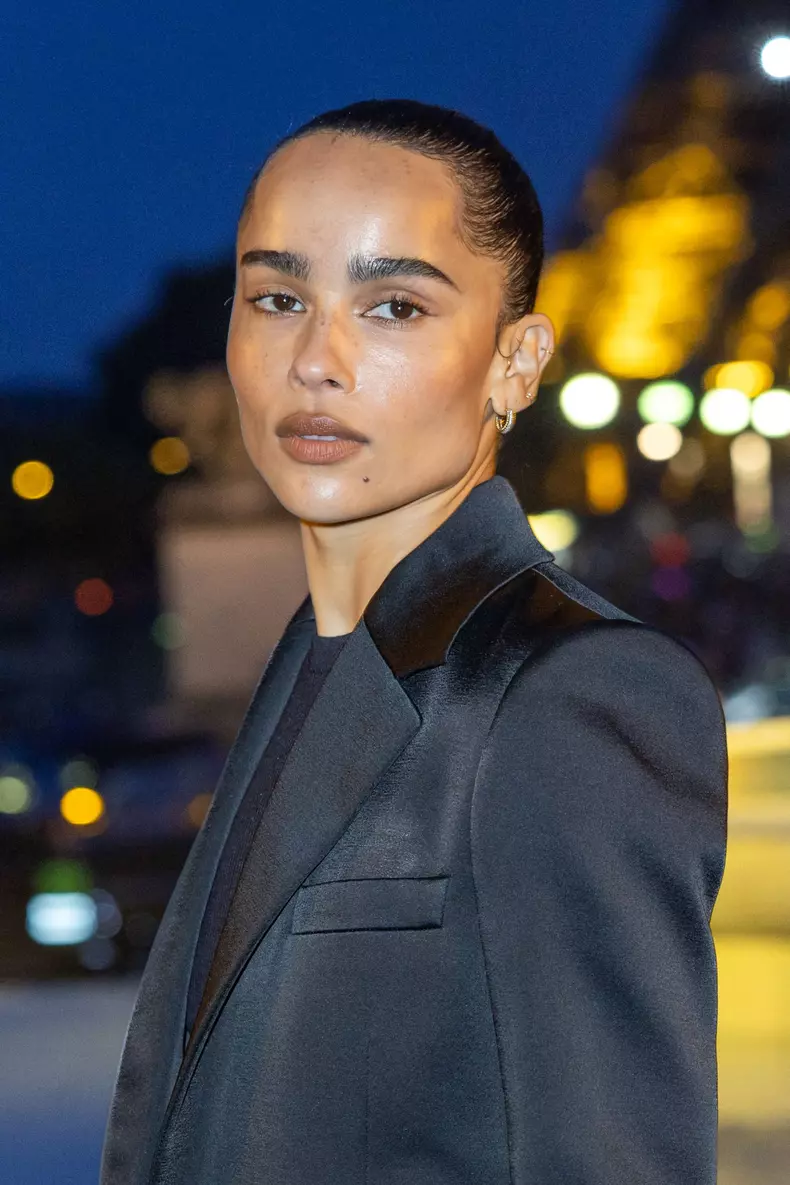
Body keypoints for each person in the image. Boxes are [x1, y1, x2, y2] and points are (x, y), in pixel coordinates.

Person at [101, 99, 728, 1185]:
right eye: (277, 297)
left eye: (392, 305)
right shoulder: (308, 665)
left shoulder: (569, 692)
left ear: (515, 362)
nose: (316, 360)